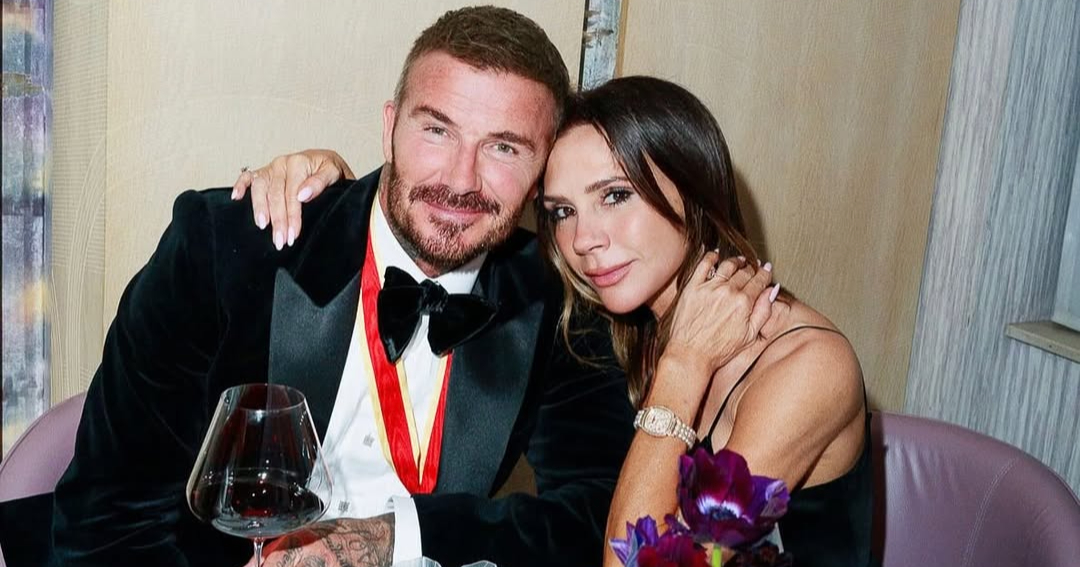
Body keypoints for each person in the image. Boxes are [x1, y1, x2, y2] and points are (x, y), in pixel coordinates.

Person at [35, 8, 732, 567]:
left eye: (504, 147)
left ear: (542, 172)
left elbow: (597, 513)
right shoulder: (226, 245)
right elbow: (109, 511)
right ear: (390, 126)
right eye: (437, 130)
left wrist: (399, 535)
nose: (460, 179)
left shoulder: (557, 299)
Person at [246, 77, 876, 567]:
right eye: (562, 211)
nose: (584, 241)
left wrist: (684, 369)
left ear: (693, 185)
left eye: (615, 196)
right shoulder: (625, 322)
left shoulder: (807, 368)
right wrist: (332, 189)